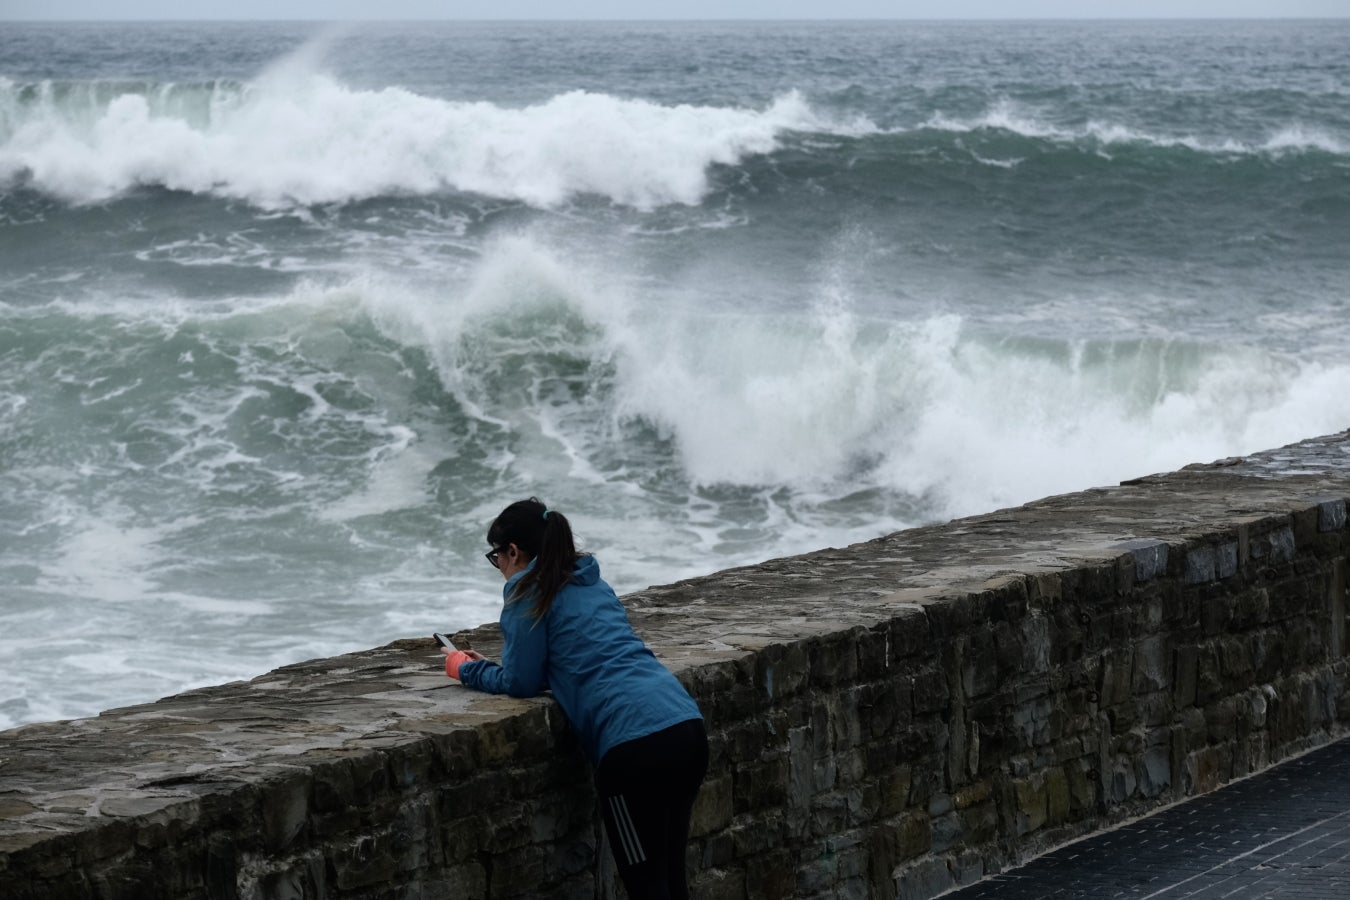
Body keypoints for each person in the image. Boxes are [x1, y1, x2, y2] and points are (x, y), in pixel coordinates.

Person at [441, 497, 708, 900]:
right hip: (685, 726)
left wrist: (464, 667)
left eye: (496, 557)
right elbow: (583, 654)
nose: (499, 568)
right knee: (671, 877)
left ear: (513, 551)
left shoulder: (527, 591)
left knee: (645, 885)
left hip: (632, 749)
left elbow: (521, 681)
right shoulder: (591, 582)